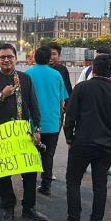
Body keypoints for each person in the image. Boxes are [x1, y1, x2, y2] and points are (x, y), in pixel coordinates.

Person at [56, 54, 111, 221]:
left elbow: (70, 117)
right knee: (100, 185)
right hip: (106, 146)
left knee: (73, 182)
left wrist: (69, 139)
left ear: (93, 69)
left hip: (82, 142)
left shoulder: (81, 88)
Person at [0, 44, 47, 221]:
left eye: (9, 57)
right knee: (3, 175)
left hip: (22, 132)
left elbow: (33, 105)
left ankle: (29, 207)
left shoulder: (25, 79)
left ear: (15, 58)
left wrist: (37, 128)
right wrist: (1, 96)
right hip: (1, 133)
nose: (6, 60)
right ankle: (8, 207)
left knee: (30, 172)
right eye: (2, 57)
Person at [25, 46, 69, 196]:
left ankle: (29, 186)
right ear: (48, 58)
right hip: (52, 121)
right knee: (48, 154)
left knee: (31, 154)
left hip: (32, 123)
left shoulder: (28, 73)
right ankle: (46, 185)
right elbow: (62, 101)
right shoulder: (57, 75)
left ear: (35, 57)